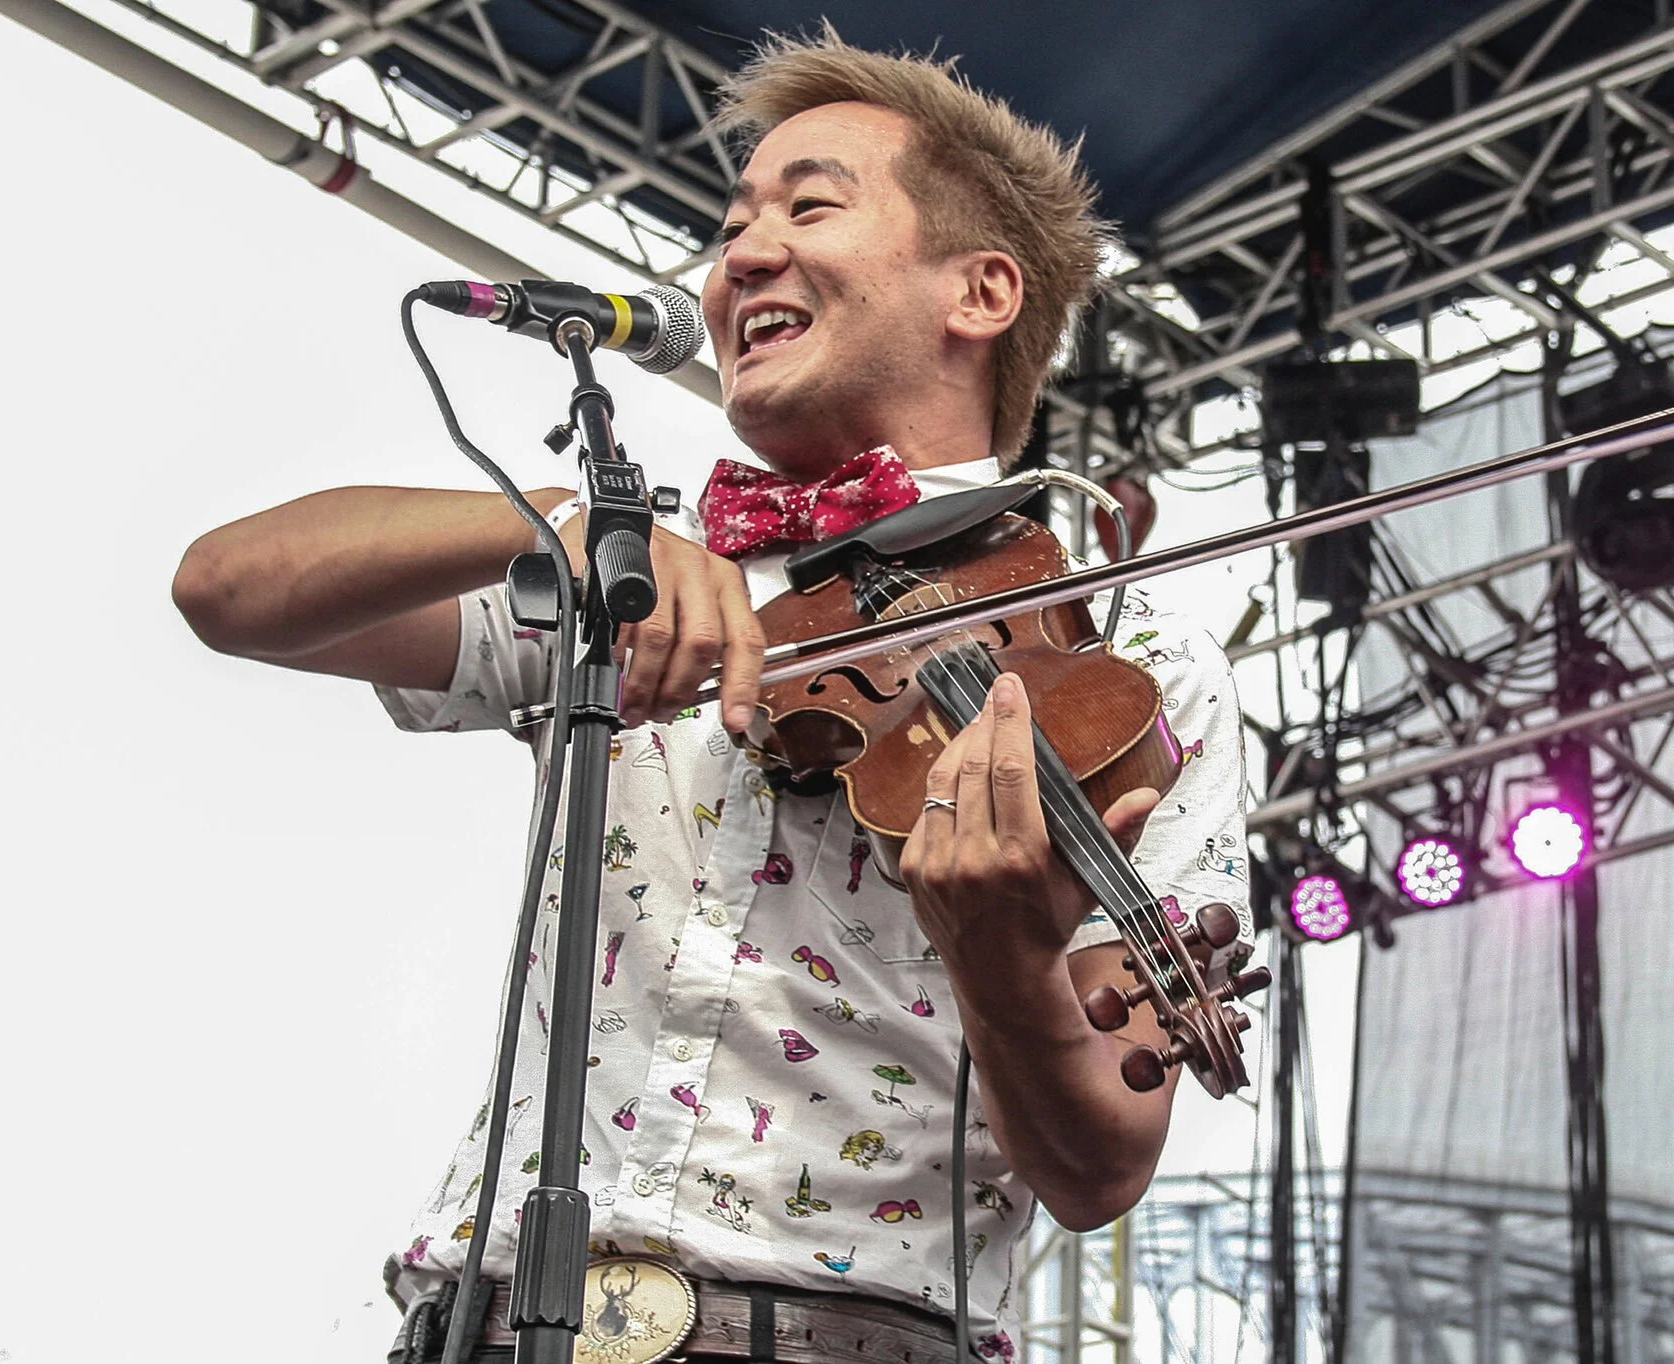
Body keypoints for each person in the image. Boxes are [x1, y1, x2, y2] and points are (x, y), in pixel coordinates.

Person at [171, 29, 1251, 1364]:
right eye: (731, 224)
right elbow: (231, 588)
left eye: (808, 206)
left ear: (978, 292)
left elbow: (1100, 1166)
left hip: (837, 1336)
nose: (738, 257)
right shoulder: (643, 581)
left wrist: (998, 952)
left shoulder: (1135, 652)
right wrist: (568, 522)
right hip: (496, 1323)